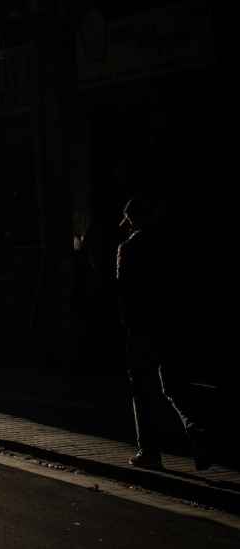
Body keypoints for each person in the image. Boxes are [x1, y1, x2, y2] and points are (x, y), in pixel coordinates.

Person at [115, 196, 209, 470]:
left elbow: (124, 293)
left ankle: (149, 452)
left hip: (141, 328)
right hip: (172, 326)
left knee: (143, 391)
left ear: (131, 219)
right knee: (175, 386)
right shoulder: (172, 245)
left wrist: (126, 326)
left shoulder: (128, 249)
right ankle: (196, 429)